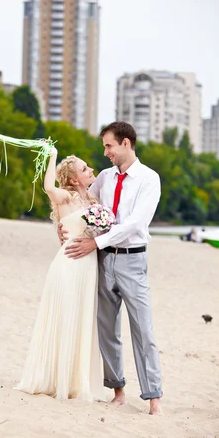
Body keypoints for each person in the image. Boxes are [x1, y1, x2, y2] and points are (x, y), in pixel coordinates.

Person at [59, 122, 163, 416]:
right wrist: (63, 226)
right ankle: (117, 390)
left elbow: (135, 223)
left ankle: (154, 397)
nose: (105, 152)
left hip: (132, 259)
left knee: (143, 328)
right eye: (105, 146)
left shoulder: (148, 179)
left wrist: (96, 242)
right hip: (103, 261)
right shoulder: (104, 177)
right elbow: (79, 202)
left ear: (126, 144)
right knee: (107, 328)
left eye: (109, 146)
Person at [14, 148, 106, 401]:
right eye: (85, 169)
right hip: (68, 264)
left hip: (88, 266)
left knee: (82, 317)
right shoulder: (65, 196)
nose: (90, 171)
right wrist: (52, 156)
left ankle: (77, 381)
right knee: (65, 316)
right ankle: (57, 379)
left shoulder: (93, 201)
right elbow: (48, 188)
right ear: (74, 179)